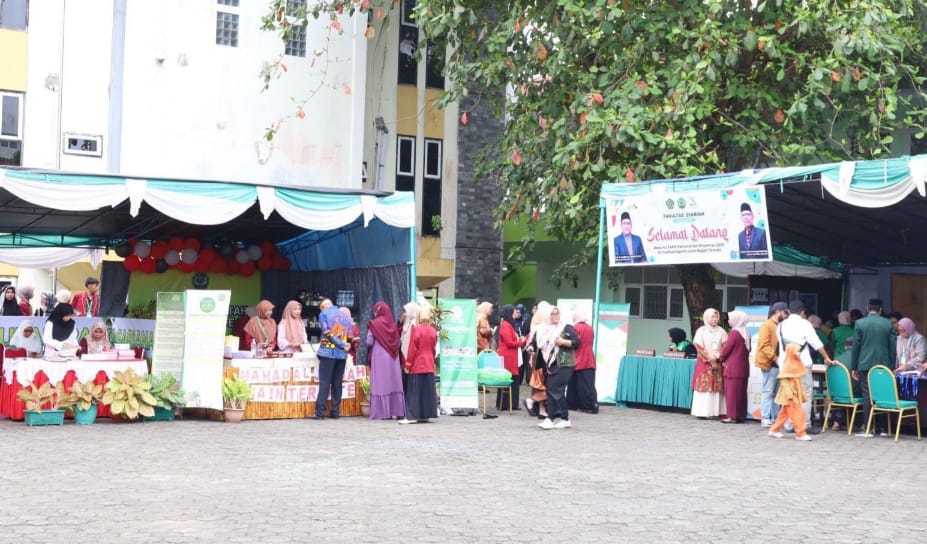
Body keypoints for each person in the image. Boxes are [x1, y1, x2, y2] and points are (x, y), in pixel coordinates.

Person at [778, 300, 835, 433]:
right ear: (802, 312)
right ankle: (803, 424)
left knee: (789, 395)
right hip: (801, 364)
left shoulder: (781, 325)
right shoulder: (805, 324)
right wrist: (826, 357)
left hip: (786, 366)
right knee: (805, 395)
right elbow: (816, 343)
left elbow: (780, 346)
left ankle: (789, 424)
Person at [849, 298, 896, 437]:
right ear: (881, 310)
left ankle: (868, 428)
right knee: (881, 393)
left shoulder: (860, 323)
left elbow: (856, 347)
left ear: (867, 308)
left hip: (865, 363)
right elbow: (892, 347)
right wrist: (892, 366)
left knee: (867, 395)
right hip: (883, 364)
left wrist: (854, 366)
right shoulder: (888, 324)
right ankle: (882, 428)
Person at [534, 306, 578, 430]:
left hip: (564, 363)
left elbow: (577, 342)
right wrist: (532, 349)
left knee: (554, 390)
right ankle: (565, 418)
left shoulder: (566, 327)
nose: (555, 316)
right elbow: (538, 344)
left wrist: (564, 342)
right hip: (549, 364)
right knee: (553, 391)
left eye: (557, 314)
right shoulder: (542, 329)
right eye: (552, 314)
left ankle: (550, 418)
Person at [367, 301, 406, 420]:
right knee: (393, 382)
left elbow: (369, 341)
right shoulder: (392, 325)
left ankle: (382, 413)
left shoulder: (374, 324)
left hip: (379, 356)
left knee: (380, 383)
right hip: (393, 357)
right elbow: (399, 342)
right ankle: (397, 411)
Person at [400, 305, 438, 424]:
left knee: (414, 391)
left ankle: (412, 415)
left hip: (418, 364)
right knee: (427, 391)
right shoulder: (433, 330)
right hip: (429, 363)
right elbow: (433, 349)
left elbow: (412, 349)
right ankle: (425, 415)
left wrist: (408, 364)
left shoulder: (416, 329)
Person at [315, 298, 352, 420]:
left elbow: (327, 333)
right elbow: (350, 335)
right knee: (337, 383)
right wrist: (345, 345)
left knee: (325, 382)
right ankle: (335, 412)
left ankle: (320, 412)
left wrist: (341, 344)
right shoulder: (345, 314)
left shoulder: (323, 314)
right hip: (342, 355)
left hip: (327, 352)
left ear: (323, 307)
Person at [767, 344, 813, 441]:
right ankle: (800, 433)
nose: (799, 353)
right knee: (798, 412)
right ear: (791, 352)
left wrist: (803, 393)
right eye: (796, 351)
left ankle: (774, 430)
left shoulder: (797, 362)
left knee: (785, 413)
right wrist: (790, 394)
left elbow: (799, 380)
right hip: (789, 394)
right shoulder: (788, 363)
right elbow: (784, 380)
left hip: (794, 392)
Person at [691, 308, 728, 419]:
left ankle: (716, 412)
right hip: (704, 363)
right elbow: (699, 347)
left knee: (717, 387)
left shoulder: (721, 331)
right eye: (712, 317)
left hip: (718, 362)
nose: (715, 319)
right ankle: (702, 412)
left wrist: (718, 358)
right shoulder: (701, 331)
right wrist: (710, 360)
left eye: (716, 317)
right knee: (704, 387)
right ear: (707, 318)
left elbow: (725, 346)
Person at [756, 302, 788, 427]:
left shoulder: (780, 325)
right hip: (771, 364)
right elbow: (764, 345)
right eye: (784, 312)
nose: (786, 315)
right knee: (768, 392)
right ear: (778, 311)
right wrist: (776, 359)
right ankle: (765, 418)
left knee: (776, 393)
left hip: (778, 364)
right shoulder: (766, 325)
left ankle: (776, 419)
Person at [719, 310, 750, 424]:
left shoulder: (735, 333)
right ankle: (740, 415)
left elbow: (727, 348)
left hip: (733, 367)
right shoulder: (746, 332)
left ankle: (732, 416)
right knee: (741, 392)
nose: (728, 320)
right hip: (743, 367)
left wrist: (721, 358)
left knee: (732, 393)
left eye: (730, 318)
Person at [567, 307, 598, 414]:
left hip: (577, 358)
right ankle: (590, 404)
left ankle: (573, 404)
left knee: (574, 384)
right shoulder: (590, 328)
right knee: (588, 384)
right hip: (589, 358)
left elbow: (574, 344)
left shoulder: (574, 328)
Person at [495, 304, 525, 410]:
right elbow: (509, 342)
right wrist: (521, 342)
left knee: (512, 380)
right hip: (508, 357)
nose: (514, 314)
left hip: (510, 356)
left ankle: (509, 404)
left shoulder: (508, 324)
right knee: (511, 380)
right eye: (513, 312)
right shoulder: (505, 325)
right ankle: (508, 404)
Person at [523, 301, 550, 419]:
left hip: (539, 360)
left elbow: (531, 343)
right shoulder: (542, 328)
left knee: (541, 385)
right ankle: (532, 401)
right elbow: (533, 343)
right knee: (546, 385)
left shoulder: (538, 327)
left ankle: (542, 410)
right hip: (542, 361)